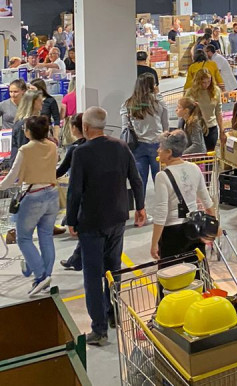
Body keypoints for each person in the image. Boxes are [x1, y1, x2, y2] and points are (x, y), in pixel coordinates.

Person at [68, 106, 146, 345]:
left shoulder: (81, 153)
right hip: (118, 217)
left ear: (85, 127)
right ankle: (114, 313)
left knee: (92, 276)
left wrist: (71, 220)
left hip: (92, 221)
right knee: (114, 270)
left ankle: (99, 329)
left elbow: (75, 190)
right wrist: (140, 207)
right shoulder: (121, 146)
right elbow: (136, 179)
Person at [0, 115, 59, 296]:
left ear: (28, 132)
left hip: (33, 196)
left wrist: (1, 186)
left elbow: (13, 175)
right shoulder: (53, 145)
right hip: (52, 194)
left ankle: (40, 275)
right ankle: (45, 276)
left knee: (24, 238)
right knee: (46, 236)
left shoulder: (25, 149)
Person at [150, 130, 217, 260]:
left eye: (161, 147)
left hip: (172, 231)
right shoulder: (194, 168)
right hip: (194, 228)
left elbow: (161, 212)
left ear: (169, 152)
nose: (158, 151)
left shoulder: (162, 176)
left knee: (172, 271)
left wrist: (154, 243)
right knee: (197, 269)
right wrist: (212, 229)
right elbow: (207, 201)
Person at [121, 74, 169, 191]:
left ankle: (140, 203)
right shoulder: (158, 102)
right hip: (157, 144)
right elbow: (165, 124)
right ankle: (161, 202)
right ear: (153, 85)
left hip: (137, 145)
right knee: (160, 181)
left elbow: (125, 128)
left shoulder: (128, 104)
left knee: (140, 182)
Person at [58, 113, 85, 271]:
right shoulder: (102, 146)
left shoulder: (75, 149)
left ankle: (76, 259)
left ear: (74, 128)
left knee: (86, 232)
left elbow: (61, 170)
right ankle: (76, 259)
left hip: (82, 197)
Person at [185, 69, 225, 151]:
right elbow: (185, 112)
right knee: (196, 155)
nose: (206, 84)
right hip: (196, 129)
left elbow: (218, 112)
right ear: (198, 81)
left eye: (209, 81)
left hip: (211, 128)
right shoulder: (190, 92)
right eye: (203, 82)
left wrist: (222, 130)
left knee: (210, 154)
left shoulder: (216, 91)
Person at [11, 90, 43, 162]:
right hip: (24, 163)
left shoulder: (37, 121)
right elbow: (23, 148)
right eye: (39, 100)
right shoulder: (22, 124)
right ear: (32, 102)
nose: (42, 103)